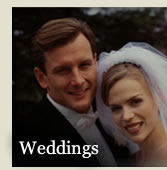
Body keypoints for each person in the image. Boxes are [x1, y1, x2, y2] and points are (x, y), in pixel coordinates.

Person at [12, 17, 136, 167]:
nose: (78, 81)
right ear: (42, 77)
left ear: (95, 61)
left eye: (84, 65)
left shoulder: (115, 112)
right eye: (63, 70)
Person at [96, 42, 167, 167]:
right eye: (116, 108)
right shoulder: (134, 160)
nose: (126, 116)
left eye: (135, 102)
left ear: (158, 96)